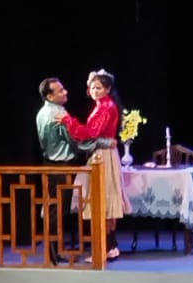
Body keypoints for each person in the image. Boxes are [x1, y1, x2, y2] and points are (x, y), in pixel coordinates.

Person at [35, 77, 115, 263]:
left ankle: (53, 251)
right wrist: (105, 142)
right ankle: (53, 253)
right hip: (61, 166)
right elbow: (78, 141)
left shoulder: (43, 112)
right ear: (50, 96)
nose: (65, 92)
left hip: (50, 163)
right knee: (57, 208)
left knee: (55, 207)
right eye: (60, 91)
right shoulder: (57, 116)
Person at [60, 69, 131, 261]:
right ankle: (110, 246)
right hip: (104, 153)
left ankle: (104, 248)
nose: (94, 91)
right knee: (105, 202)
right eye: (92, 87)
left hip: (103, 156)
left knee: (102, 201)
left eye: (99, 88)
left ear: (107, 89)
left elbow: (90, 133)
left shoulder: (106, 107)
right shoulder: (103, 105)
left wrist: (69, 122)